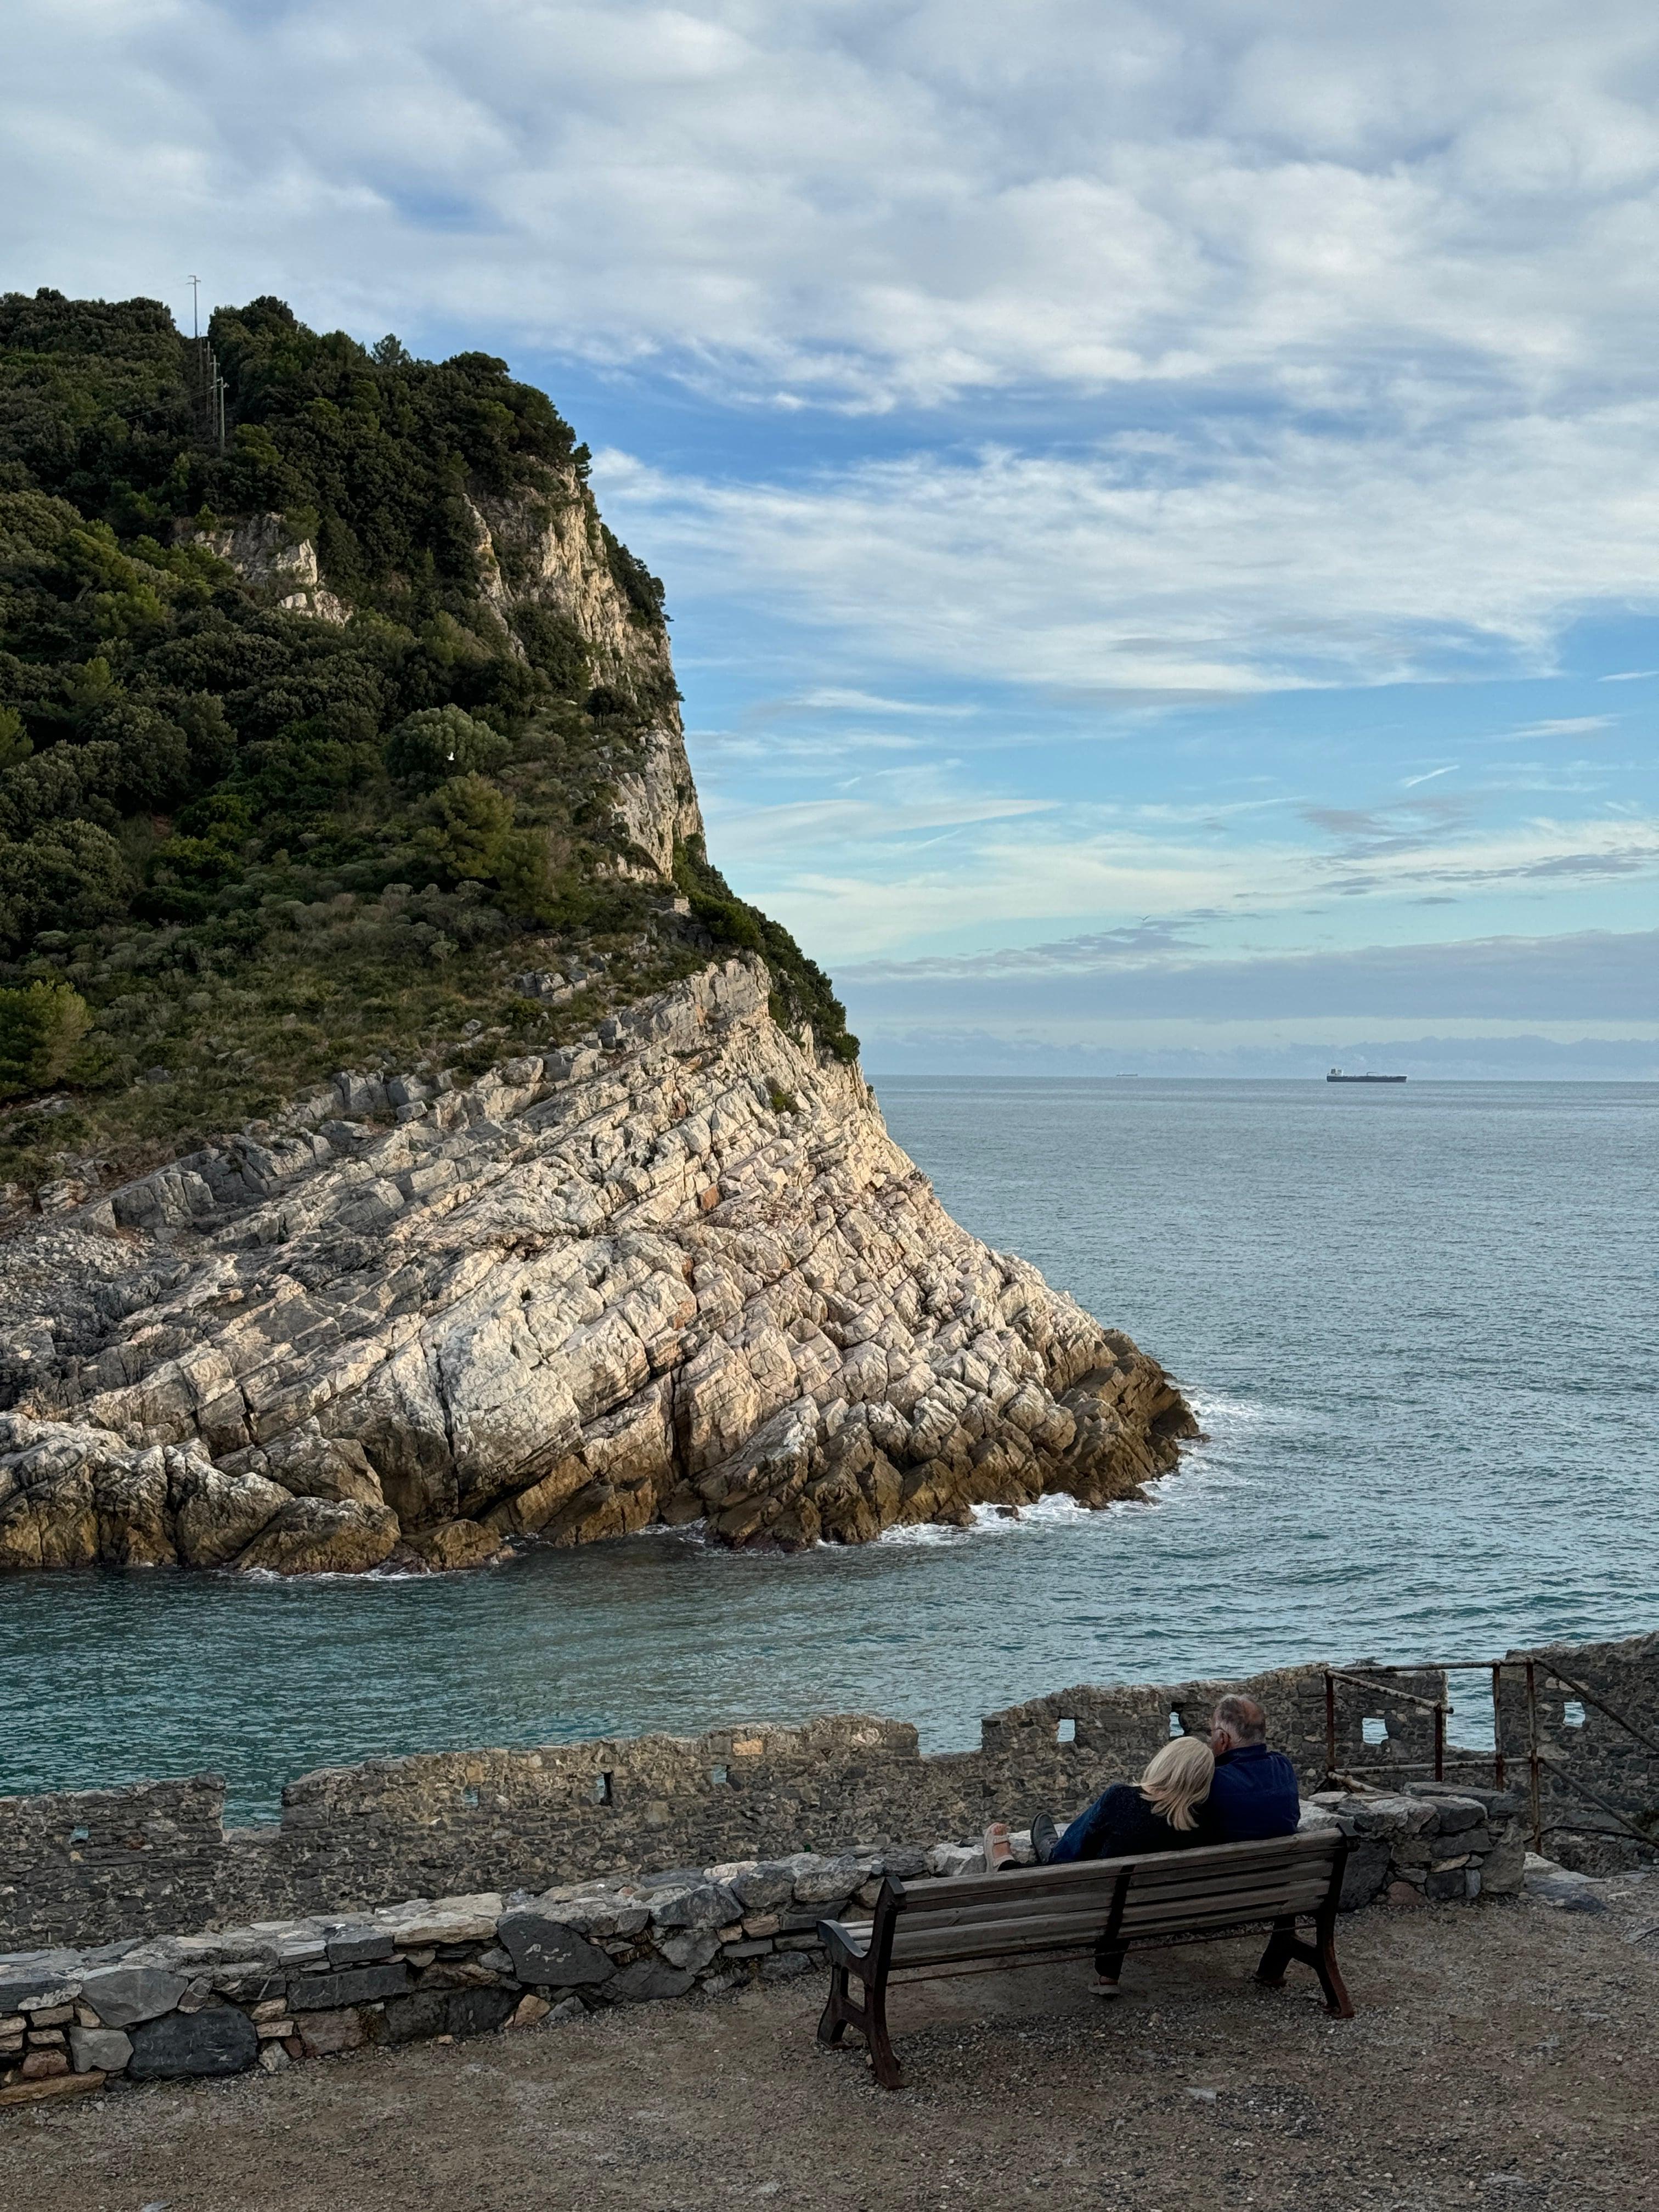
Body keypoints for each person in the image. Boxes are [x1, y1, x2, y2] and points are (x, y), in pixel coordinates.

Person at [1205, 1691, 1300, 1840]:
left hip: (1231, 1863)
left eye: (1212, 1733)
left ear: (1223, 1739)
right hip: (1286, 1861)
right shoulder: (1283, 1767)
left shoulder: (1213, 1781)